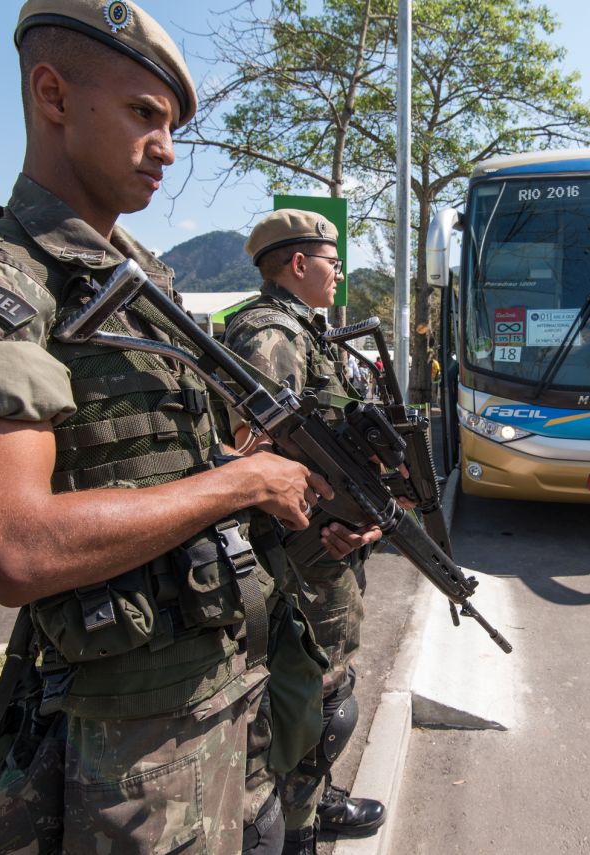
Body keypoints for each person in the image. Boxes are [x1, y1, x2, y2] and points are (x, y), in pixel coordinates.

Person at [0, 4, 370, 852]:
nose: (168, 149)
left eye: (172, 124)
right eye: (145, 114)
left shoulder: (142, 290)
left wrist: (308, 502)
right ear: (53, 94)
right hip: (125, 739)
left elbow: (178, 464)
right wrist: (243, 480)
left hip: (221, 690)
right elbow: (17, 545)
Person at [222, 210, 389, 855]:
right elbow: (254, 459)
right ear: (298, 263)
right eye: (331, 258)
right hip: (294, 555)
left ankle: (314, 804)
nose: (340, 270)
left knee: (327, 683)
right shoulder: (271, 336)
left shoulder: (309, 333)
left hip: (322, 545)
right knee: (308, 692)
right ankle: (296, 826)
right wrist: (325, 518)